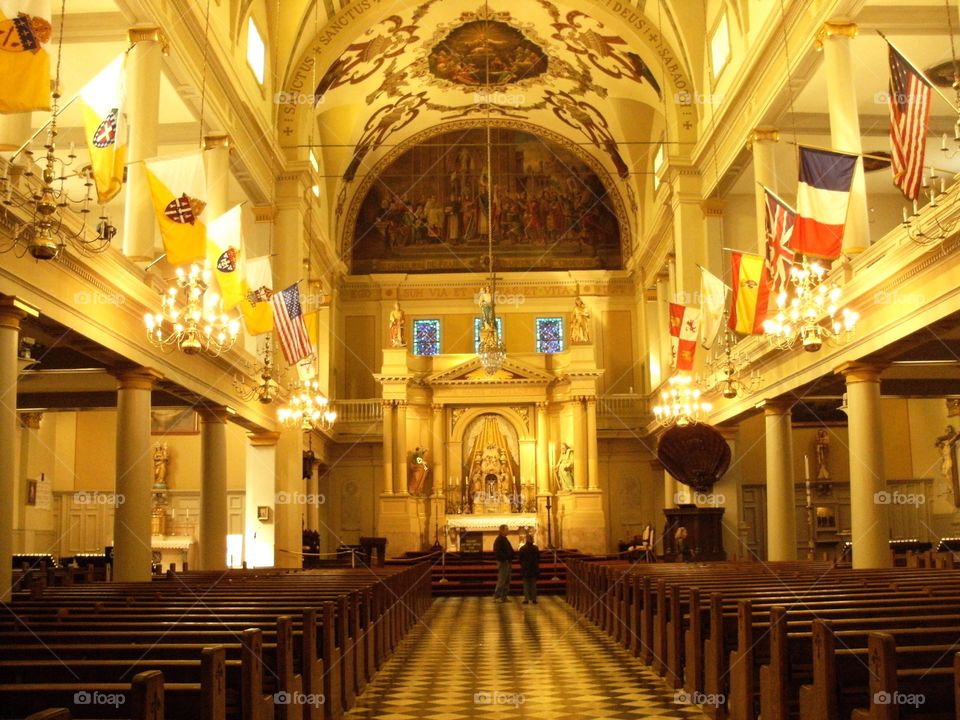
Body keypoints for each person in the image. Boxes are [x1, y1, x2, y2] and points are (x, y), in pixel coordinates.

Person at [492, 524, 514, 602]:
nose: (508, 530)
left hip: (507, 561)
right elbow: (497, 551)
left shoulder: (504, 539)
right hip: (503, 561)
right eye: (507, 529)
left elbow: (510, 549)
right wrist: (505, 558)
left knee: (507, 579)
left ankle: (504, 596)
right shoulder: (499, 539)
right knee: (502, 579)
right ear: (502, 530)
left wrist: (511, 555)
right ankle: (496, 596)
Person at [518, 533, 540, 604]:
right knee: (533, 584)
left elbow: (520, 559)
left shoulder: (522, 548)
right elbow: (538, 558)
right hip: (533, 568)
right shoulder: (535, 548)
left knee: (526, 584)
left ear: (526, 540)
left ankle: (526, 599)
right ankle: (534, 599)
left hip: (525, 568)